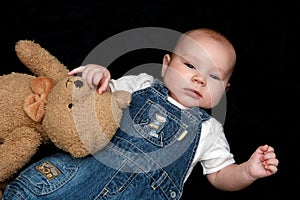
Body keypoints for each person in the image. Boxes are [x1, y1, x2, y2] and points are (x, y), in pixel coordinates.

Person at [2, 28, 278, 200]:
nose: (199, 80)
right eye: (191, 65)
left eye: (214, 77)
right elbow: (100, 96)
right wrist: (97, 76)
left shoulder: (209, 131)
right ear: (166, 65)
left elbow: (220, 175)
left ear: (225, 90)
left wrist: (247, 171)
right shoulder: (142, 85)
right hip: (80, 175)